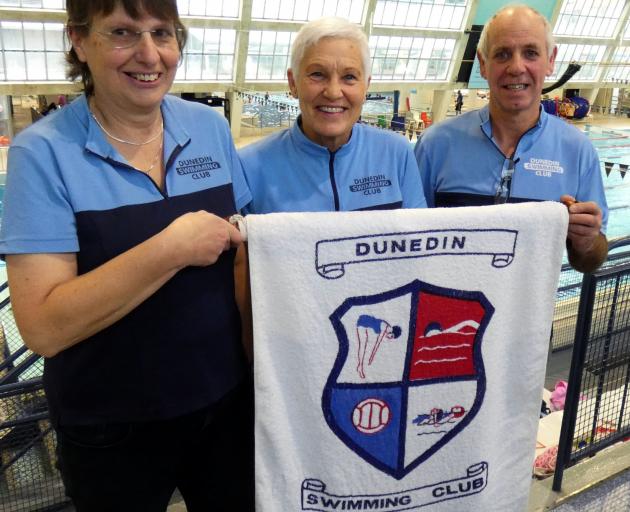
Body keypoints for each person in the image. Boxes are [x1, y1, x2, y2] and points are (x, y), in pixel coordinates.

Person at [0, 1, 253, 510]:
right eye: (122, 32)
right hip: (111, 427)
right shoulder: (42, 154)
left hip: (223, 404)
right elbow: (44, 327)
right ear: (78, 39)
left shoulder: (209, 128)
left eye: (162, 33)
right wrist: (170, 248)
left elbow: (245, 259)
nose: (149, 53)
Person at [414, 5, 608, 273]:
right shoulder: (435, 145)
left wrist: (586, 242)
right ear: (483, 64)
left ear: (551, 60)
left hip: (528, 314)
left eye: (530, 53)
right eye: (502, 54)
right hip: (448, 313)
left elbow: (589, 261)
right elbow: (406, 243)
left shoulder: (578, 151)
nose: (516, 67)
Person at [239, 17, 427, 213]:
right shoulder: (249, 167)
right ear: (293, 83)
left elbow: (418, 237)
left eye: (349, 77)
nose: (334, 92)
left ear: (366, 86)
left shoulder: (396, 154)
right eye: (318, 74)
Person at [355, 315, 401, 379]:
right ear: (392, 331)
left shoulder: (386, 328)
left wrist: (371, 357)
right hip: (364, 321)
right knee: (362, 346)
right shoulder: (385, 328)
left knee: (363, 345)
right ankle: (360, 367)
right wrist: (371, 357)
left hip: (365, 324)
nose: (390, 338)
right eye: (392, 336)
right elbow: (377, 343)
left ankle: (359, 366)